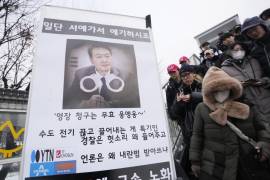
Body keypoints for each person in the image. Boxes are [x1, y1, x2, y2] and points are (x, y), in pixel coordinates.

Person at [189, 67, 270, 180]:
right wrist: (195, 161)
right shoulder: (202, 109)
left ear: (231, 88)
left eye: (224, 88)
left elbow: (261, 128)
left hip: (250, 161)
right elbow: (197, 135)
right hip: (216, 166)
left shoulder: (244, 105)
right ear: (209, 92)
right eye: (216, 90)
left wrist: (265, 144)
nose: (221, 93)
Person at [64, 44, 140, 109]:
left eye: (107, 56)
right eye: (99, 57)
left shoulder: (126, 75)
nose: (104, 60)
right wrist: (85, 103)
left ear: (111, 57)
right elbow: (70, 100)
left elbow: (133, 102)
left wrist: (111, 105)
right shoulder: (80, 74)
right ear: (91, 60)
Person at [222, 42, 270, 130]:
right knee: (263, 130)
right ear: (230, 52)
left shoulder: (254, 60)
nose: (239, 52)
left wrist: (263, 81)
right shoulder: (224, 69)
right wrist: (238, 86)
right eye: (236, 50)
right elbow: (226, 90)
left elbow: (267, 76)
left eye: (241, 49)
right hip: (249, 103)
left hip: (266, 99)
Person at [171, 65, 202, 178]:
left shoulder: (202, 84)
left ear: (193, 74)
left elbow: (209, 97)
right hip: (189, 129)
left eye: (187, 74)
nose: (185, 78)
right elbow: (174, 112)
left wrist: (193, 96)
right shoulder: (180, 90)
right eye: (183, 76)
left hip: (205, 125)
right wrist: (179, 103)